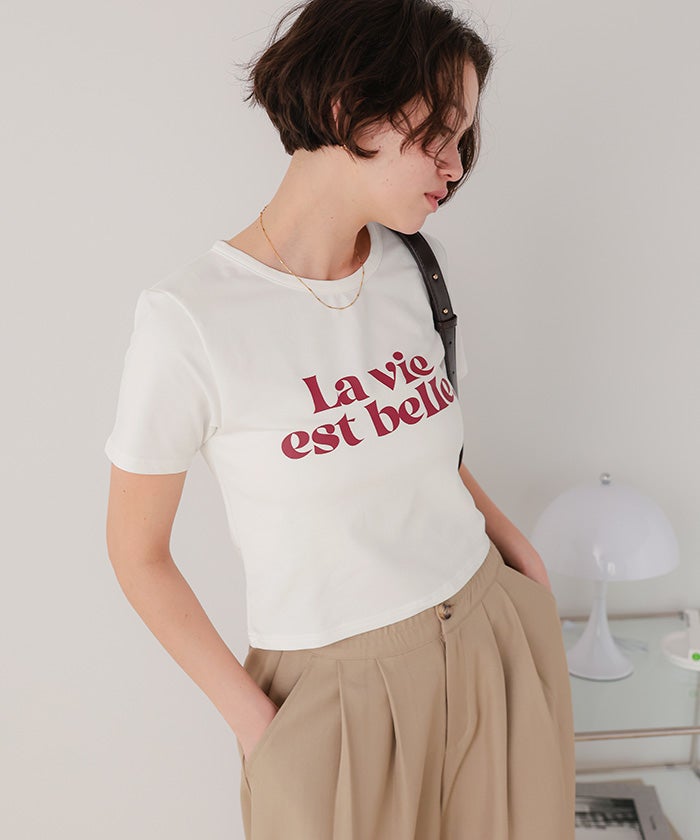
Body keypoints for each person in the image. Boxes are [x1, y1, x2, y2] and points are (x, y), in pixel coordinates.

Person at [104, 1, 575, 837]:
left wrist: (518, 555)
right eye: (438, 134)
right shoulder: (191, 320)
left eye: (463, 138)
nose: (455, 165)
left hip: (490, 636)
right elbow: (137, 554)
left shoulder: (413, 267)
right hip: (334, 698)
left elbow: (424, 447)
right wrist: (258, 727)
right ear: (347, 108)